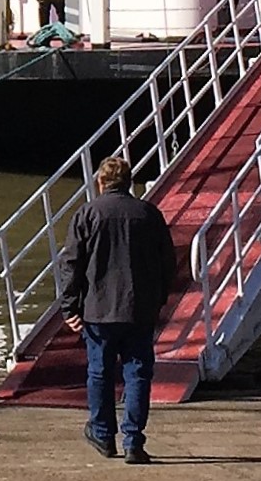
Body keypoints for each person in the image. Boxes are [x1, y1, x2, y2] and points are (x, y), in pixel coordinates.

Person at [53, 152, 176, 464]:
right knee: (138, 374)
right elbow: (167, 263)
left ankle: (103, 434)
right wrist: (158, 299)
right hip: (139, 309)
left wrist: (69, 308)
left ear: (100, 182)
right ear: (130, 182)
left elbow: (71, 264)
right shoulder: (149, 214)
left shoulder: (87, 214)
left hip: (98, 309)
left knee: (100, 373)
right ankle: (134, 441)